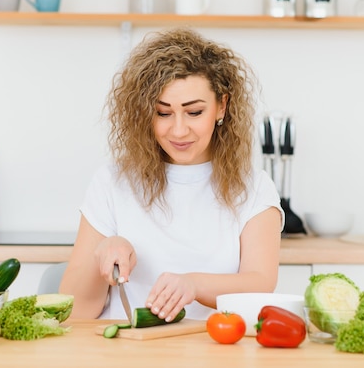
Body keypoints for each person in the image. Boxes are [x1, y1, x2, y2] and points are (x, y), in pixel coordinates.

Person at [60, 28, 283, 322]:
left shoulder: (254, 189)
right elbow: (75, 312)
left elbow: (260, 284)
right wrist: (102, 254)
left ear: (222, 106)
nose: (178, 130)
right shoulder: (113, 182)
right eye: (163, 113)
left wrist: (194, 285)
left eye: (194, 113)